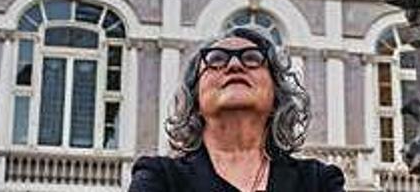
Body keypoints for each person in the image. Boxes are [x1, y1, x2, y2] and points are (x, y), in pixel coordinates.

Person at [129, 26, 345, 192]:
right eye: (216, 60)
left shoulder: (318, 181)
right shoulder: (159, 177)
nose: (234, 65)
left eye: (252, 58)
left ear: (277, 97)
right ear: (195, 101)